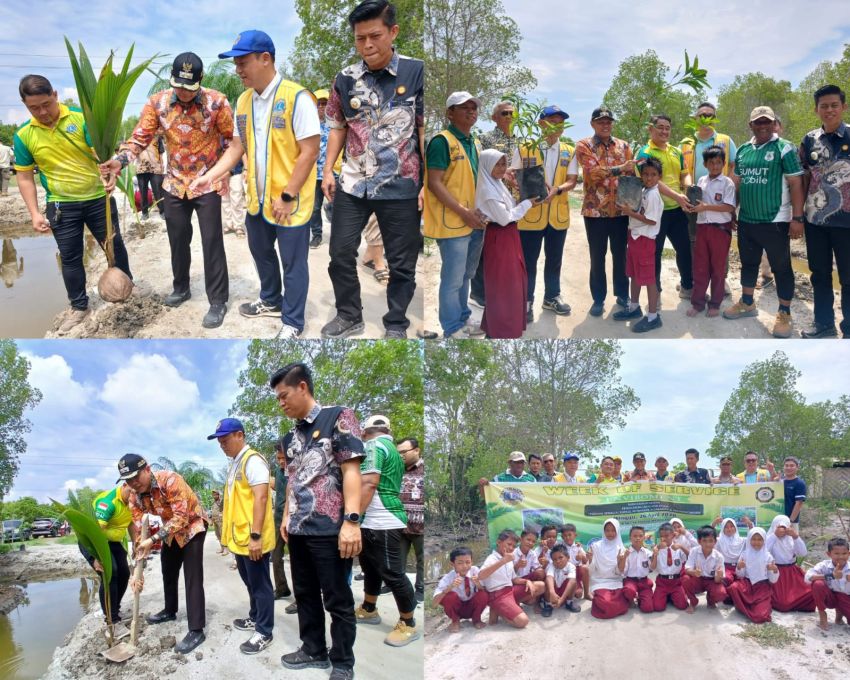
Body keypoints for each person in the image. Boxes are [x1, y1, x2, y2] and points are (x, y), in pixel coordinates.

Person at [190, 32, 319, 340]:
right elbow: (237, 146)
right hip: (258, 201)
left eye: (243, 62)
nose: (238, 70)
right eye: (236, 63)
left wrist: (288, 195)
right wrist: (213, 174)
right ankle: (271, 299)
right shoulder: (244, 101)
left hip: (289, 201)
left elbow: (310, 151)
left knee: (293, 263)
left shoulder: (297, 97)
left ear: (266, 58)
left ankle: (293, 321)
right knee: (260, 251)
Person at [102, 53, 232, 329]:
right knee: (177, 239)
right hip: (173, 183)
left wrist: (223, 174)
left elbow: (232, 142)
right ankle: (181, 287)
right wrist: (119, 161)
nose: (183, 93)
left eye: (189, 87)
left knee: (212, 241)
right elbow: (139, 139)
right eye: (178, 86)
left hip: (207, 181)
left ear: (201, 80)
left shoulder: (217, 102)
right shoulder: (157, 103)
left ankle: (218, 300)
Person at [321, 0, 425, 340]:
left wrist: (425, 183)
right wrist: (327, 170)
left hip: (401, 185)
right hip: (353, 182)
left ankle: (396, 321)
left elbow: (422, 128)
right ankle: (349, 314)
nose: (367, 45)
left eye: (375, 36)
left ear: (393, 32)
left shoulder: (415, 72)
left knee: (402, 262)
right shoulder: (345, 79)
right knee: (339, 253)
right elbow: (338, 126)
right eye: (359, 38)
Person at [14, 74, 132, 333]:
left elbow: (102, 154)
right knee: (70, 257)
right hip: (61, 205)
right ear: (25, 105)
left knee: (114, 245)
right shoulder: (24, 135)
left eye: (47, 104)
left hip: (97, 198)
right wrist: (34, 213)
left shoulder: (81, 118)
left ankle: (126, 290)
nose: (43, 112)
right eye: (34, 108)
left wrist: (111, 173)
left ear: (55, 95)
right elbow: (24, 177)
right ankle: (79, 306)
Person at [272, 363, 363, 679]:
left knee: (337, 598)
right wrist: (286, 517)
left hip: (328, 528)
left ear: (303, 387)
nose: (281, 403)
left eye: (284, 396)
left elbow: (352, 471)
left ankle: (342, 662)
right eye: (277, 399)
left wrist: (351, 521)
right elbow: (292, 479)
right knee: (305, 593)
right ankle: (313, 649)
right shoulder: (289, 437)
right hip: (297, 530)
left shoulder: (338, 417)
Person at [724, 106, 805, 338]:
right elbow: (737, 183)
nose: (762, 126)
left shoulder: (784, 148)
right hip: (747, 219)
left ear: (773, 123)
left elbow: (796, 184)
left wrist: (797, 218)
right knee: (748, 263)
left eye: (766, 122)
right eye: (758, 122)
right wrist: (732, 210)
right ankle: (747, 302)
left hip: (776, 220)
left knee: (781, 268)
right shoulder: (742, 150)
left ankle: (784, 313)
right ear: (751, 125)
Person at [121, 454, 208, 654]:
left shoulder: (170, 479)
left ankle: (196, 629)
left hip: (192, 527)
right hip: (170, 532)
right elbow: (138, 525)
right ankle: (170, 610)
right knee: (168, 570)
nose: (133, 484)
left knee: (192, 577)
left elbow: (181, 517)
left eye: (136, 477)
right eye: (128, 481)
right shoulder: (135, 495)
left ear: (147, 470)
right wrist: (138, 561)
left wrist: (152, 540)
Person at [209, 418, 276, 654]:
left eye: (225, 439)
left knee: (260, 585)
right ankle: (255, 616)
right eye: (219, 441)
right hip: (240, 538)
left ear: (240, 435)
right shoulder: (236, 463)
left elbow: (261, 498)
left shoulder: (253, 460)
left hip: (252, 538)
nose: (222, 445)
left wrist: (256, 536)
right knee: (250, 583)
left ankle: (264, 631)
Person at [425, 91, 487, 338]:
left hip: (475, 222)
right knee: (452, 279)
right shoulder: (442, 141)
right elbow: (434, 182)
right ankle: (451, 327)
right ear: (450, 113)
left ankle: (463, 317)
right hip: (453, 223)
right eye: (464, 108)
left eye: (474, 108)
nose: (471, 111)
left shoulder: (475, 142)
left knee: (466, 275)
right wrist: (463, 212)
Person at [355, 415, 419, 647]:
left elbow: (369, 483)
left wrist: (353, 518)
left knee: (393, 574)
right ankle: (369, 608)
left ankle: (408, 623)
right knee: (371, 568)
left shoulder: (374, 446)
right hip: (375, 520)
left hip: (381, 519)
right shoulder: (391, 448)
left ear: (365, 431)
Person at [511, 105, 577, 321]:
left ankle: (551, 297)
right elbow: (514, 177)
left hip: (557, 216)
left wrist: (558, 189)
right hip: (531, 216)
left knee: (554, 259)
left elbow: (572, 180)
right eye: (551, 121)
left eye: (560, 122)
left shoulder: (569, 150)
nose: (556, 126)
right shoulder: (525, 149)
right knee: (528, 261)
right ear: (540, 123)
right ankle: (525, 301)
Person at [800, 84, 850, 339]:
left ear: (843, 107)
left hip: (847, 222)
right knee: (819, 274)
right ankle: (824, 324)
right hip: (815, 220)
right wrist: (798, 215)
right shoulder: (809, 140)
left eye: (834, 105)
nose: (829, 110)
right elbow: (803, 179)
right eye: (823, 106)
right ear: (816, 109)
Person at [575, 107, 635, 316]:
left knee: (621, 255)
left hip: (620, 212)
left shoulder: (624, 146)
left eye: (609, 121)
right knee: (597, 256)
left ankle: (622, 295)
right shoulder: (584, 145)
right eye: (601, 121)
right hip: (595, 213)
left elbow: (631, 177)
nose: (605, 124)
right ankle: (598, 298)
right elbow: (592, 174)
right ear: (592, 124)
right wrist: (620, 168)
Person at [475, 149, 535, 338]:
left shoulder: (497, 184)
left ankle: (506, 326)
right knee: (503, 285)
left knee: (513, 282)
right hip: (500, 237)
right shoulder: (487, 190)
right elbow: (504, 218)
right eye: (497, 164)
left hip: (509, 236)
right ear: (486, 165)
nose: (502, 168)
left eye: (503, 163)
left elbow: (509, 208)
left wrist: (523, 199)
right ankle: (500, 329)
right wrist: (528, 204)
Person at [680, 101, 737, 295]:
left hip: (720, 200)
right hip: (692, 201)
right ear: (695, 119)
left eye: (710, 115)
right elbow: (682, 171)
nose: (706, 119)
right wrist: (687, 192)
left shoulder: (725, 140)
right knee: (693, 241)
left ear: (715, 118)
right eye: (702, 115)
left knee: (720, 240)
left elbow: (733, 166)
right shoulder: (686, 143)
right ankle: (695, 282)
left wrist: (730, 193)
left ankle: (721, 280)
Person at [636, 114, 694, 299]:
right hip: (655, 211)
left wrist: (688, 187)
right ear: (650, 129)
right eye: (660, 127)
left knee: (684, 249)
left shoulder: (676, 151)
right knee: (655, 253)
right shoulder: (645, 153)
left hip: (677, 211)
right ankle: (656, 293)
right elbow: (652, 181)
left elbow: (684, 173)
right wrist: (677, 196)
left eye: (667, 127)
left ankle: (687, 287)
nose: (664, 131)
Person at [474, 100, 520, 307]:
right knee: (483, 252)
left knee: (504, 254)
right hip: (489, 202)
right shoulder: (484, 139)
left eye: (512, 113)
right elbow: (478, 171)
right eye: (504, 113)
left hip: (512, 202)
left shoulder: (521, 142)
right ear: (494, 117)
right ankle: (479, 295)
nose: (509, 116)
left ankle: (500, 292)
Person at [614, 156, 664, 332]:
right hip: (634, 237)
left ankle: (653, 317)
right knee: (633, 274)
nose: (649, 178)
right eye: (646, 174)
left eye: (653, 174)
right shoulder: (643, 191)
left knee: (649, 279)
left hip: (645, 240)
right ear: (641, 176)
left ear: (659, 177)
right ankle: (634, 307)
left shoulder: (654, 195)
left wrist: (629, 212)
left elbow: (651, 221)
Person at [687, 145, 737, 317]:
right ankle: (698, 303)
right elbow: (697, 204)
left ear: (723, 163)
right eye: (711, 162)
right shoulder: (701, 181)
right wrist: (692, 207)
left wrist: (705, 207)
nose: (715, 166)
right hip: (702, 228)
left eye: (718, 162)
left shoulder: (727, 183)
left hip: (720, 230)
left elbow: (729, 207)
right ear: (705, 164)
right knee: (700, 267)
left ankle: (715, 303)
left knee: (718, 268)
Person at [81, 483, 136, 635]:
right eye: (133, 493)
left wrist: (136, 544)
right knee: (111, 575)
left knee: (124, 574)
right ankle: (112, 621)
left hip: (112, 542)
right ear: (125, 485)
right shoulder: (108, 502)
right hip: (93, 542)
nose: (135, 498)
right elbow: (94, 534)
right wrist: (94, 558)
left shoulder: (131, 503)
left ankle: (114, 611)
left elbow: (131, 524)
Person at [477, 530, 530, 628]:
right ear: (498, 542)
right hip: (498, 595)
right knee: (523, 621)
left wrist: (527, 581)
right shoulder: (492, 558)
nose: (511, 548)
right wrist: (502, 561)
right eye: (509, 544)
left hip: (510, 591)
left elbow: (514, 579)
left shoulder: (508, 558)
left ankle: (510, 606)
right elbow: (480, 576)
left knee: (540, 586)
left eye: (514, 546)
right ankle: (497, 609)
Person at [728, 527, 779, 623]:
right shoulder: (744, 554)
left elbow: (773, 580)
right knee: (733, 587)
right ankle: (744, 607)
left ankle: (753, 607)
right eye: (753, 539)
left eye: (760, 539)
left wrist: (774, 570)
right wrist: (739, 567)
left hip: (761, 588)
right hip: (747, 584)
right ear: (749, 540)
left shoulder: (768, 556)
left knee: (760, 617)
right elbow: (741, 575)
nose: (756, 542)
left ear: (764, 540)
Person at [766, 515, 815, 612]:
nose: (783, 530)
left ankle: (796, 603)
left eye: (785, 527)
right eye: (780, 527)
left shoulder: (791, 539)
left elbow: (803, 553)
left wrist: (795, 537)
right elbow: (764, 551)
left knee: (811, 592)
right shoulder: (770, 538)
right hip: (777, 572)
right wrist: (775, 535)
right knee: (783, 604)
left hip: (792, 572)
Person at [433, 547, 488, 632]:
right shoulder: (448, 578)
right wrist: (449, 588)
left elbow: (484, 590)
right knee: (450, 596)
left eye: (468, 562)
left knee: (483, 593)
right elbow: (434, 604)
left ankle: (476, 620)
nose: (465, 566)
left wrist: (477, 583)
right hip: (457, 609)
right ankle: (455, 621)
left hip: (472, 607)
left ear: (472, 562)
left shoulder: (475, 571)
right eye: (460, 563)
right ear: (452, 564)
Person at [397, 437, 424, 602]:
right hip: (399, 523)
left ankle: (420, 588)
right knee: (397, 559)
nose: (401, 456)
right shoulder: (396, 469)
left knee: (422, 559)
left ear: (416, 450)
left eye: (404, 452)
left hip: (421, 524)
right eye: (398, 452)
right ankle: (398, 587)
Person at [804, 537, 850, 630]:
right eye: (837, 553)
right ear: (829, 554)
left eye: (844, 553)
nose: (841, 557)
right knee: (818, 584)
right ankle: (822, 613)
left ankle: (839, 615)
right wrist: (831, 575)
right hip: (830, 598)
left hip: (845, 598)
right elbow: (808, 578)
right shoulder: (824, 565)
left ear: (849, 554)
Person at [587, 518, 630, 618]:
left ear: (617, 531)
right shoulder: (596, 546)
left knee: (618, 603)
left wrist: (620, 560)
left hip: (616, 581)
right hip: (600, 581)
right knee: (606, 603)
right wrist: (590, 559)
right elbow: (592, 569)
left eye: (613, 530)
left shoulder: (621, 549)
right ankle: (599, 601)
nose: (610, 533)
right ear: (603, 531)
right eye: (607, 530)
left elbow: (621, 572)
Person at [269, 439, 293, 604]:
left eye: (283, 458)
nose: (281, 461)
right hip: (277, 520)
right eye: (278, 459)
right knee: (276, 556)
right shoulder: (278, 472)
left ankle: (302, 598)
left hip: (295, 520)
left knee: (298, 560)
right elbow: (278, 491)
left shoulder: (297, 470)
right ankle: (282, 588)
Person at [682, 525, 727, 612]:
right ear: (699, 541)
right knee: (685, 579)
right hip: (698, 579)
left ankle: (710, 600)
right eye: (704, 541)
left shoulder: (719, 556)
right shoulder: (694, 551)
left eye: (711, 541)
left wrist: (719, 576)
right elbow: (687, 569)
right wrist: (694, 572)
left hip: (711, 580)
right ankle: (693, 601)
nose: (708, 544)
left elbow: (717, 581)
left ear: (715, 541)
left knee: (721, 593)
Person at [309, 89, 331, 249]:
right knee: (315, 208)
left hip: (333, 173)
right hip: (313, 174)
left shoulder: (337, 124)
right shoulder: (308, 124)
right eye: (319, 104)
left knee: (337, 207)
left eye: (325, 103)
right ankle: (317, 235)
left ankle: (339, 238)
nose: (322, 107)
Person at [651, 522, 688, 612]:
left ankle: (671, 596)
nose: (664, 539)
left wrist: (681, 547)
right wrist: (655, 554)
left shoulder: (678, 547)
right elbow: (652, 567)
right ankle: (666, 596)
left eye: (667, 536)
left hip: (676, 582)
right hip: (662, 582)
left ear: (672, 535)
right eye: (661, 536)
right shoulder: (657, 548)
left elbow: (690, 557)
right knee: (658, 607)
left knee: (683, 605)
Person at [620, 525, 654, 613]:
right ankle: (631, 600)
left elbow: (652, 568)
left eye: (640, 536)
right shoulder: (626, 553)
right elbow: (623, 572)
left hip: (644, 581)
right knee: (628, 590)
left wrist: (655, 555)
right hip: (631, 580)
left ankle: (640, 598)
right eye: (635, 536)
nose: (637, 538)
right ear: (630, 538)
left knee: (648, 608)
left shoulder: (648, 553)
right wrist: (624, 558)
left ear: (644, 537)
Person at [541, 544, 581, 616]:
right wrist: (552, 592)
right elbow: (549, 577)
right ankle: (548, 604)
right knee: (548, 581)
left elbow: (571, 581)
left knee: (573, 582)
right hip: (553, 593)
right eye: (555, 559)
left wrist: (562, 599)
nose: (558, 561)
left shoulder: (571, 566)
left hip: (564, 593)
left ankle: (569, 602)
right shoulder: (551, 566)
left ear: (568, 557)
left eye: (560, 557)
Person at [713, 516, 750, 593]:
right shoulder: (719, 540)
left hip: (740, 567)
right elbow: (708, 535)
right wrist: (714, 524)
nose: (729, 529)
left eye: (732, 526)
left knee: (743, 582)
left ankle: (736, 595)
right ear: (722, 529)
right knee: (726, 578)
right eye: (726, 527)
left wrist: (749, 524)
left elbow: (753, 537)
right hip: (725, 567)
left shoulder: (742, 540)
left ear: (735, 528)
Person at [135, 136, 165, 220]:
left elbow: (161, 153)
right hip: (141, 168)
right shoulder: (136, 137)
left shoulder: (157, 137)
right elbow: (132, 152)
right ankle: (145, 212)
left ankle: (162, 211)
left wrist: (161, 166)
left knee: (158, 191)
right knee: (143, 191)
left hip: (155, 168)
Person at [560, 523, 589, 598]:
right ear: (562, 537)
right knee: (569, 593)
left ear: (575, 535)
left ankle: (587, 593)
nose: (567, 537)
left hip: (576, 573)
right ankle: (566, 590)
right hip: (565, 574)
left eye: (570, 535)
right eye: (565, 536)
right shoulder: (559, 547)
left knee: (585, 568)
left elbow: (585, 561)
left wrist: (582, 557)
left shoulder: (578, 546)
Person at [221, 158, 246, 237]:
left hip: (236, 170)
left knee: (236, 199)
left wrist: (246, 168)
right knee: (224, 198)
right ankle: (229, 224)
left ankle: (238, 225)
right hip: (221, 171)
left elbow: (242, 151)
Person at [780, 456, 807, 529]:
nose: (788, 468)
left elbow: (799, 504)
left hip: (791, 522)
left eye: (792, 466)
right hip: (778, 520)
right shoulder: (780, 481)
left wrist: (790, 521)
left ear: (797, 467)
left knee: (792, 540)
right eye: (786, 465)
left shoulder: (799, 483)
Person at [209, 489, 226, 555]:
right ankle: (222, 548)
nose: (214, 496)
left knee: (222, 534)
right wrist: (211, 521)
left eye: (216, 494)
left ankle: (225, 549)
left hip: (220, 520)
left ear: (218, 495)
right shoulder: (213, 502)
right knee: (218, 535)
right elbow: (212, 512)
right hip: (215, 520)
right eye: (213, 495)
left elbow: (224, 510)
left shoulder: (221, 501)